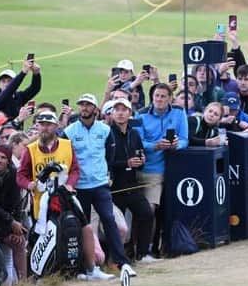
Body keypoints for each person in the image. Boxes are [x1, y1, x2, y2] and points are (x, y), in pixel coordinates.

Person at [16, 111, 114, 281]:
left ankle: (91, 269)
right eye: (41, 124)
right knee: (42, 236)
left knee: (86, 228)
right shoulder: (30, 150)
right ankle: (40, 275)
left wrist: (70, 184)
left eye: (48, 124)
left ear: (55, 126)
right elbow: (21, 175)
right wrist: (28, 184)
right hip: (42, 201)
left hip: (65, 197)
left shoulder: (66, 145)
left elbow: (75, 169)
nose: (45, 128)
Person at [64, 93, 135, 275]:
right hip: (80, 187)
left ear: (95, 109)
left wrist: (106, 172)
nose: (84, 108)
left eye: (88, 105)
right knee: (84, 227)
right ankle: (86, 267)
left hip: (100, 184)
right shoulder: (70, 131)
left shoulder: (104, 130)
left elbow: (109, 155)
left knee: (109, 220)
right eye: (82, 105)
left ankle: (121, 262)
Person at [105, 98, 156, 263]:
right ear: (112, 114)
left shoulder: (134, 134)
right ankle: (113, 259)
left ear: (129, 113)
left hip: (132, 184)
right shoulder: (107, 134)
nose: (120, 113)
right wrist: (125, 163)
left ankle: (142, 254)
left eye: (124, 110)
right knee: (114, 225)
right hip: (114, 188)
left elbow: (141, 156)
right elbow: (106, 162)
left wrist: (141, 162)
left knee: (146, 213)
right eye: (117, 110)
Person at [135, 83, 189, 210]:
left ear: (170, 98)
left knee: (150, 209)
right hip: (139, 168)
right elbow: (138, 142)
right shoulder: (140, 114)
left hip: (157, 170)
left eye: (163, 96)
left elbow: (184, 139)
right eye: (156, 96)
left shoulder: (179, 112)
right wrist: (156, 146)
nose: (159, 99)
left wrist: (176, 145)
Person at [0, 144, 27, 284]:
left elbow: (16, 203)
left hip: (7, 219)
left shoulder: (13, 174)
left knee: (19, 241)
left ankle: (22, 282)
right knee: (11, 246)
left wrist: (17, 227)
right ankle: (12, 284)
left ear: (8, 161)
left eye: (3, 158)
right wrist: (11, 222)